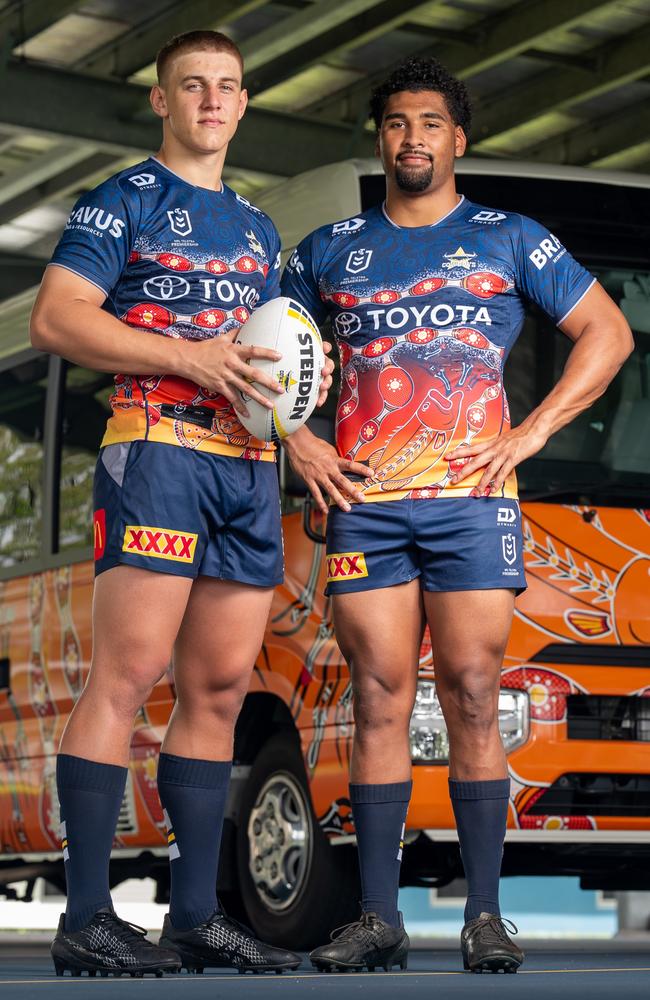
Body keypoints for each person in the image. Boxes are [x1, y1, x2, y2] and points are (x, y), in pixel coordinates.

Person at [280, 56, 633, 974]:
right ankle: (379, 918)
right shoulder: (327, 251)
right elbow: (256, 358)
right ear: (380, 138)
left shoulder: (510, 237)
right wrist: (299, 442)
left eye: (430, 123)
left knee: (477, 693)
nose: (412, 139)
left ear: (458, 139)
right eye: (397, 123)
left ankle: (485, 916)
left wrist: (533, 433)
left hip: (475, 505)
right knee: (379, 699)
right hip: (368, 507)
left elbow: (609, 331)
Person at [30, 29, 332, 978]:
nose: (211, 101)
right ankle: (85, 918)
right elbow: (58, 316)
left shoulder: (255, 228)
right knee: (126, 676)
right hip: (155, 451)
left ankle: (195, 916)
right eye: (192, 86)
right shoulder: (122, 199)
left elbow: (273, 365)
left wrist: (299, 433)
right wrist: (184, 356)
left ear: (244, 105)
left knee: (216, 692)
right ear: (162, 102)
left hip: (247, 469)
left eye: (228, 87)